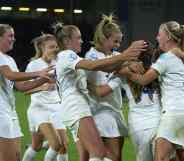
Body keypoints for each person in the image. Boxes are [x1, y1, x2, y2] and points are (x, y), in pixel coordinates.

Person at [53, 22, 147, 161]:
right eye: (78, 38)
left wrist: (127, 62)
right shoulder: (67, 55)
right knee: (98, 153)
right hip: (79, 107)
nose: (82, 40)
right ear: (67, 41)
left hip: (82, 107)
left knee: (98, 154)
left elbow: (105, 68)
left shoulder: (72, 57)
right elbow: (93, 66)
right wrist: (125, 58)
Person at [117, 21, 184, 161]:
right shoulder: (179, 56)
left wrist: (126, 70)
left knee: (159, 158)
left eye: (159, 35)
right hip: (177, 114)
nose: (157, 38)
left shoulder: (165, 59)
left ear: (168, 37)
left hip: (172, 114)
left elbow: (142, 80)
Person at [0, 24, 53, 161]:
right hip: (1, 114)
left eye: (14, 35)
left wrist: (44, 79)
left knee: (16, 156)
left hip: (10, 112)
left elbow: (22, 86)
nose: (14, 39)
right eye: (10, 36)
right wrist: (37, 73)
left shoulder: (9, 59)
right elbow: (10, 75)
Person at [80, 14, 128, 161]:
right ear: (103, 38)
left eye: (120, 42)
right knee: (111, 157)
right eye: (115, 41)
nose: (118, 45)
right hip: (101, 111)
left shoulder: (117, 55)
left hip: (115, 110)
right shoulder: (92, 57)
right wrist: (119, 77)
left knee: (115, 157)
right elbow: (101, 91)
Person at [22, 34, 68, 161]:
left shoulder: (59, 64)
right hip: (39, 109)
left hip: (57, 107)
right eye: (51, 47)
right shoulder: (34, 65)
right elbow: (25, 89)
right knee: (42, 145)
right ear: (42, 48)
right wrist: (41, 87)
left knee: (63, 145)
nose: (54, 49)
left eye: (56, 47)